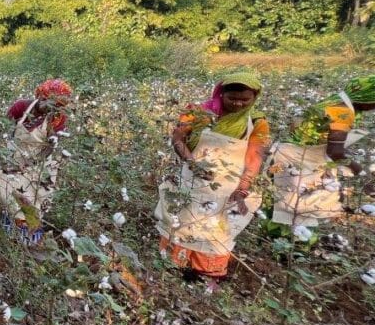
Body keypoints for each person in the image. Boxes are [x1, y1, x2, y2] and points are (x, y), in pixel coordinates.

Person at [154, 73, 270, 288]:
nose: (238, 103)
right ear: (221, 93)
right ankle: (172, 273)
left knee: (217, 231)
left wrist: (243, 188)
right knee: (181, 223)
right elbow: (178, 139)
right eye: (232, 98)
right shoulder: (198, 112)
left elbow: (254, 158)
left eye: (245, 100)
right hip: (192, 178)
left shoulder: (257, 123)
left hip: (227, 187)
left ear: (255, 97)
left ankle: (208, 276)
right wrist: (192, 162)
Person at [269, 75, 375, 230]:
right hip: (302, 162)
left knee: (284, 203)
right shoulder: (343, 111)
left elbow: (305, 129)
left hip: (288, 155)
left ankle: (280, 239)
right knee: (302, 210)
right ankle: (292, 246)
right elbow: (335, 152)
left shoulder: (333, 101)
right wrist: (361, 173)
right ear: (367, 97)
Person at [0, 78, 73, 244]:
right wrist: (4, 156)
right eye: (51, 103)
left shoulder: (57, 117)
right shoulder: (21, 107)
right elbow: (2, 128)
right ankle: (5, 239)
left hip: (38, 165)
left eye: (58, 105)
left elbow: (50, 147)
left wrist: (30, 163)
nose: (53, 108)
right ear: (41, 97)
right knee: (6, 196)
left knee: (32, 205)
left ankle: (27, 243)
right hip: (12, 159)